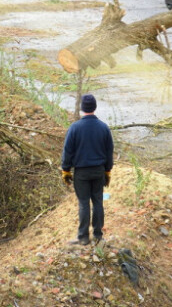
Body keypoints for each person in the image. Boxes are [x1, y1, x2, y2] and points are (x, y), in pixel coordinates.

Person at [61, 94, 114, 245]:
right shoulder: (103, 128)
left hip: (81, 173)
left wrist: (66, 170)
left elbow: (68, 151)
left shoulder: (75, 128)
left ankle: (83, 237)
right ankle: (98, 236)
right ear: (95, 107)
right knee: (98, 202)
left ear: (82, 108)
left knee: (84, 203)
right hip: (98, 171)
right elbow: (109, 151)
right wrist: (107, 171)